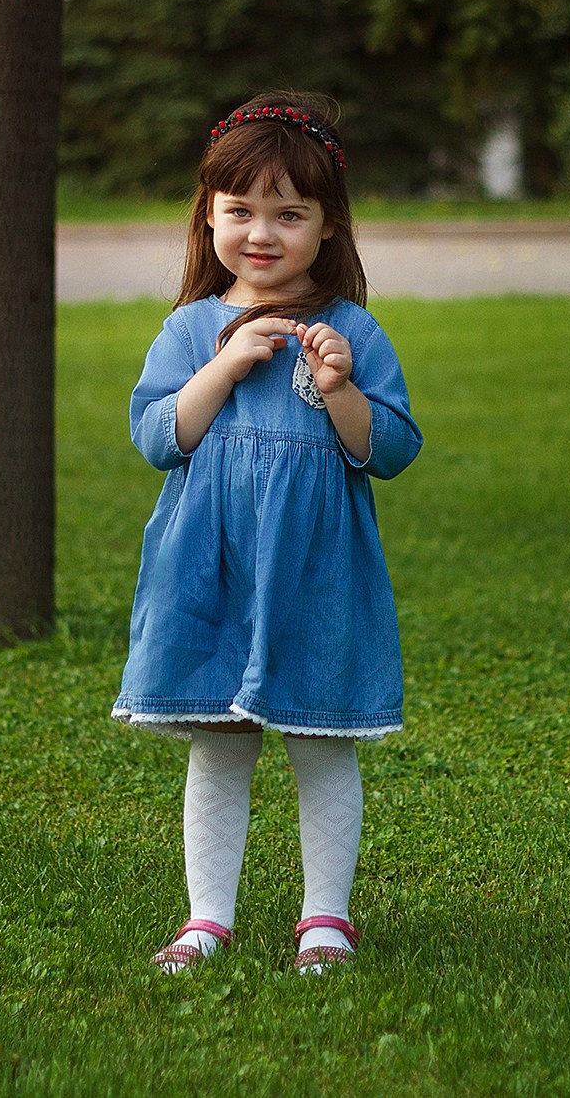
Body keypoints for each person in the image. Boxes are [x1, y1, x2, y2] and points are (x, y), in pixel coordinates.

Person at [111, 92, 424, 977]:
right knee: (218, 745)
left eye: (289, 214)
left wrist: (340, 390)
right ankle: (207, 919)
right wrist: (223, 366)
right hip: (208, 573)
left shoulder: (351, 331)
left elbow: (390, 450)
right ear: (208, 215)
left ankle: (326, 919)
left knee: (322, 739)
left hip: (315, 575)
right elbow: (157, 437)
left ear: (328, 227)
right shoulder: (189, 328)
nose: (261, 232)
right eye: (240, 210)